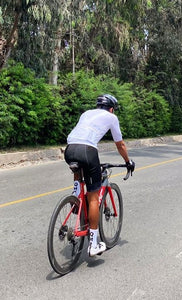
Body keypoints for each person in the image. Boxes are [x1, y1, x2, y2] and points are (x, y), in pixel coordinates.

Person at [64, 94, 135, 256]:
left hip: (70, 148)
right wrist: (128, 161)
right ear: (111, 109)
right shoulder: (111, 117)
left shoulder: (86, 113)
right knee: (93, 197)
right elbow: (120, 144)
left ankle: (76, 193)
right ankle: (94, 244)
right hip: (87, 151)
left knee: (79, 170)